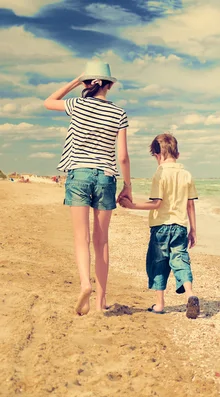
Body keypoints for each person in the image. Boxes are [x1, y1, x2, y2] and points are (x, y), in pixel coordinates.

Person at [44, 61, 131, 315]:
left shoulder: (77, 105)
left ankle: (85, 284)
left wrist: (74, 81)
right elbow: (123, 156)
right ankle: (101, 300)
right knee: (101, 241)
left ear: (87, 83)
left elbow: (48, 101)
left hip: (79, 174)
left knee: (81, 238)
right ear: (110, 84)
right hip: (106, 177)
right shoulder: (119, 113)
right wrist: (127, 186)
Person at [119, 133, 200, 319]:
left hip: (160, 227)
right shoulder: (186, 174)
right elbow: (190, 204)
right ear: (177, 154)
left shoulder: (160, 174)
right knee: (180, 260)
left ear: (157, 154)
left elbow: (157, 203)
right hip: (180, 227)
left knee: (158, 263)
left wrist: (132, 206)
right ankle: (190, 294)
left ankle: (160, 304)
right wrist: (194, 229)